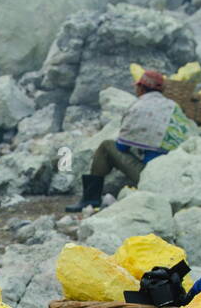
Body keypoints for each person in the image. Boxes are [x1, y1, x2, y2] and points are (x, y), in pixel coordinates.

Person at [66, 69, 191, 212]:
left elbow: (122, 147)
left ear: (141, 88)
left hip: (151, 176)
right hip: (176, 173)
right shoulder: (174, 107)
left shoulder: (139, 106)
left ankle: (90, 199)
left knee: (107, 146)